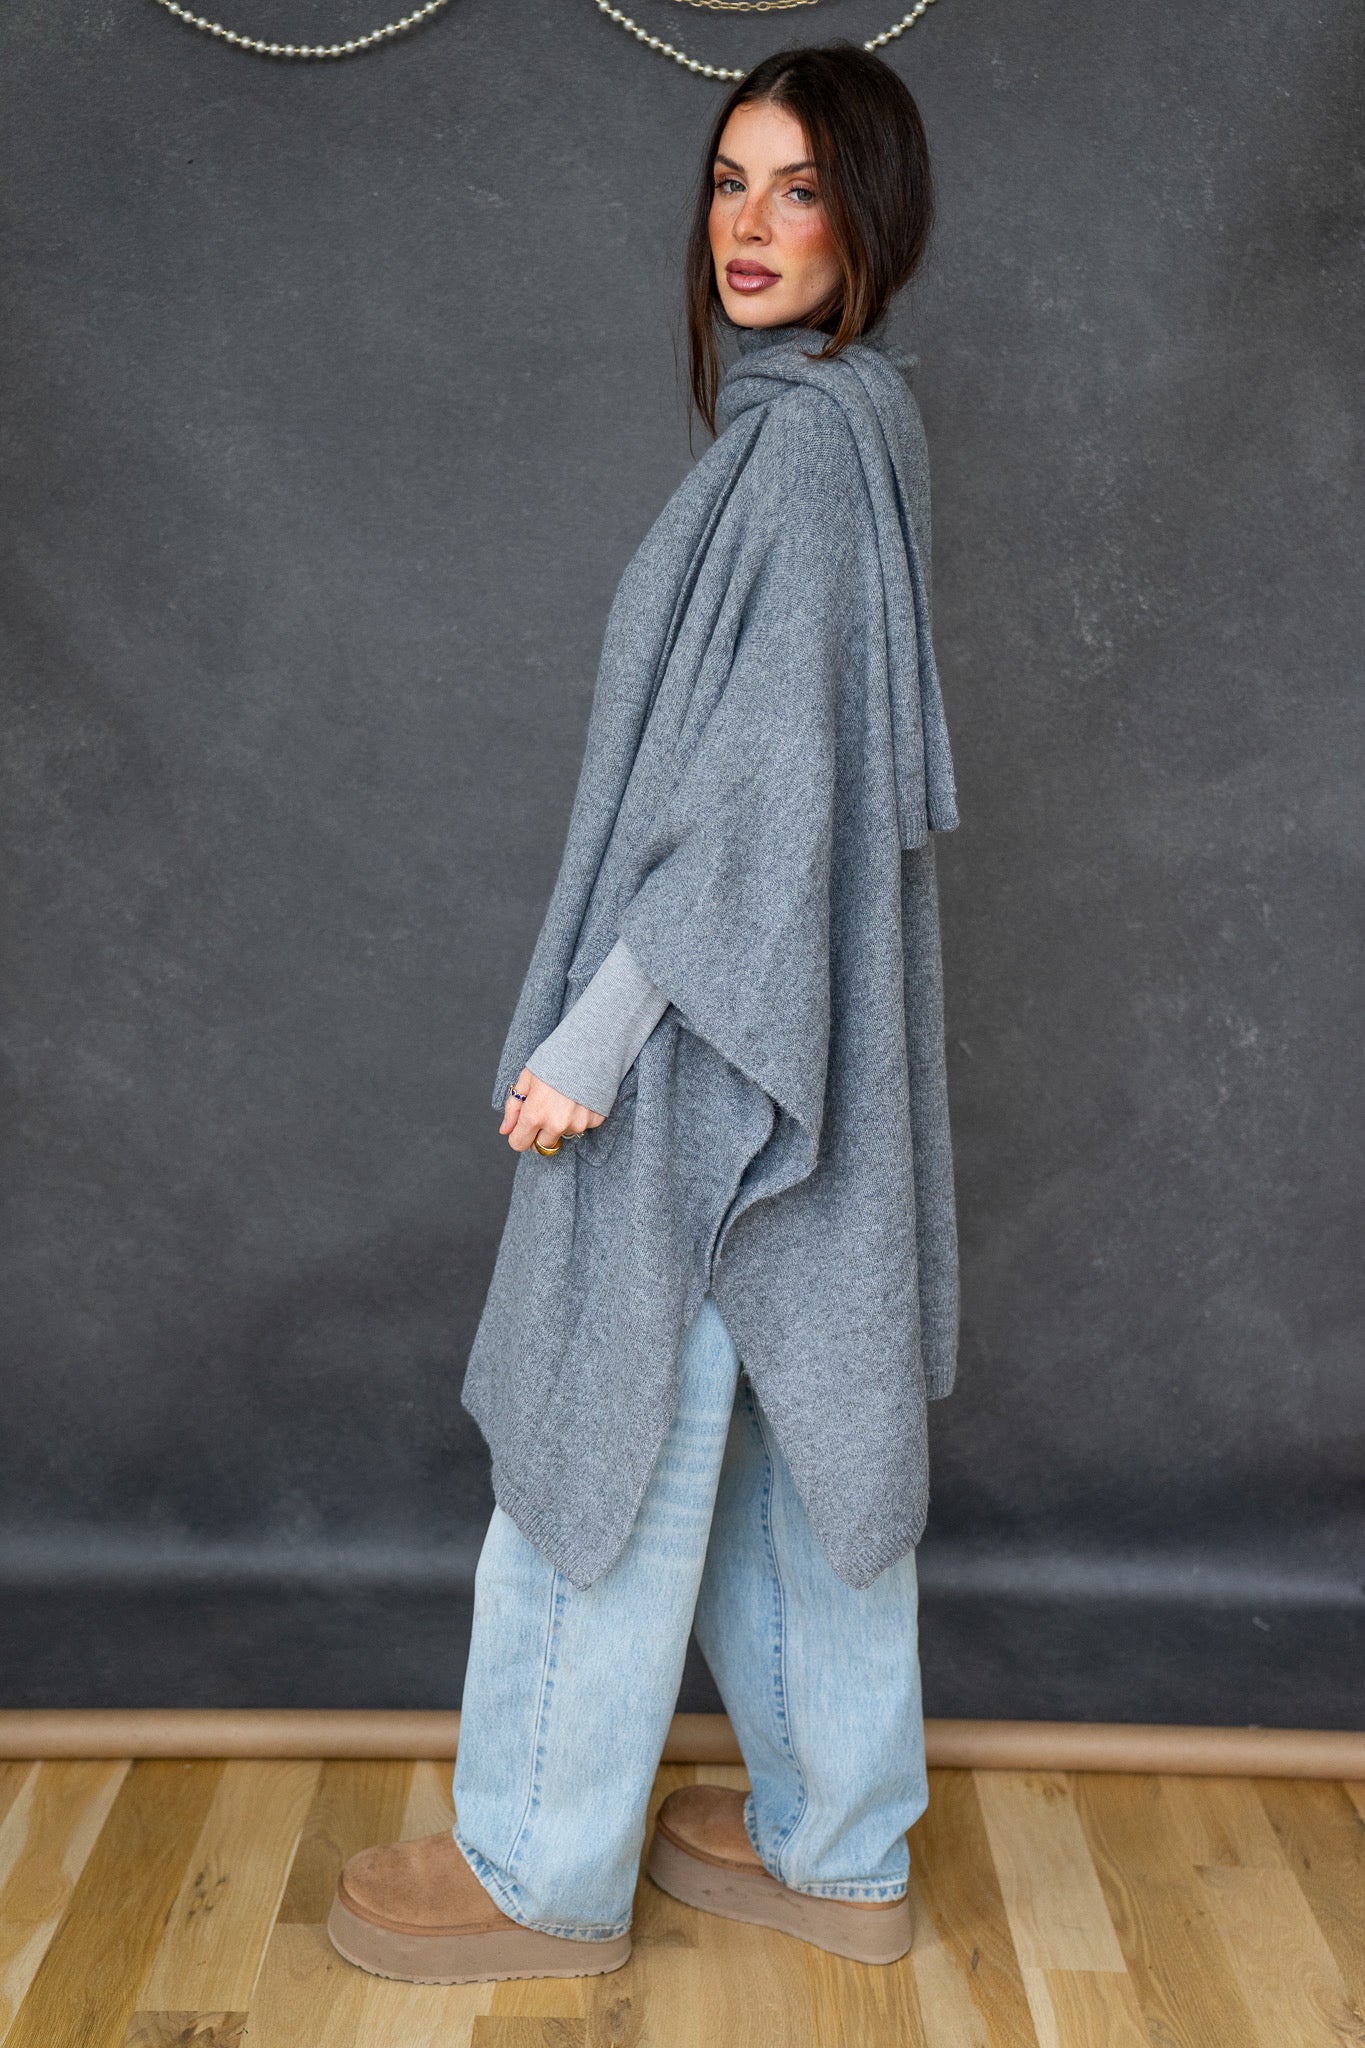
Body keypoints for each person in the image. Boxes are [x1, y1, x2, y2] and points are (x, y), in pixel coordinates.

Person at [328, 40, 961, 1987]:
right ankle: (836, 1849)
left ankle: (536, 1871)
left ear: (869, 221)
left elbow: (747, 820)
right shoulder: (852, 430)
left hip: (698, 1041)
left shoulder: (797, 459)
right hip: (796, 1026)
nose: (749, 228)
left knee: (608, 1418)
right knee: (797, 1430)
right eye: (726, 182)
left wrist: (587, 1046)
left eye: (799, 189)